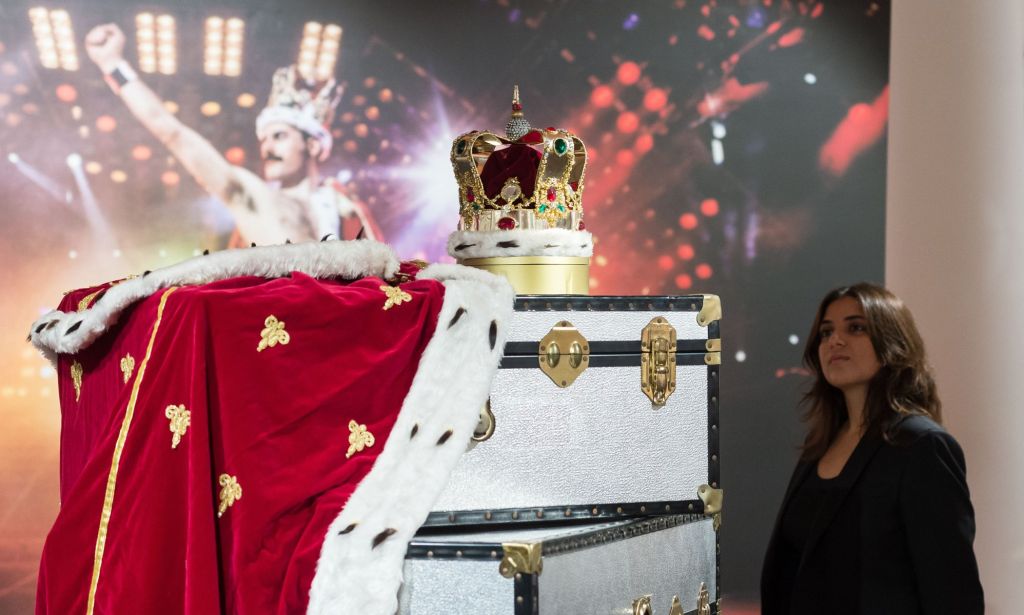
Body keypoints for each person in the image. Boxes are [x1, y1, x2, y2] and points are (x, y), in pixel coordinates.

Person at [761, 283, 984, 614]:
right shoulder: (818, 446)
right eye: (826, 332)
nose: (835, 340)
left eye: (856, 328)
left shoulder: (923, 447)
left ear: (891, 342)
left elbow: (952, 594)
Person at [83, 23, 380, 246]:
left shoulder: (346, 207)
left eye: (279, 136)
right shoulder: (251, 194)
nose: (266, 148)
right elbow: (172, 133)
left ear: (313, 145)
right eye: (263, 139)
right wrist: (113, 65)